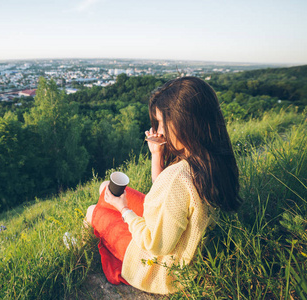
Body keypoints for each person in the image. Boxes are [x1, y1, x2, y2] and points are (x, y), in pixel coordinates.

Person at [85, 76, 241, 294]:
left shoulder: (177, 177)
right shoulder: (212, 161)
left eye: (161, 122)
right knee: (105, 187)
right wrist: (156, 154)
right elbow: (166, 195)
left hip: (158, 268)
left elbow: (156, 245)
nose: (159, 130)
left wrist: (124, 210)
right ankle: (107, 214)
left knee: (93, 211)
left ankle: (83, 243)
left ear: (182, 123)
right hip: (178, 243)